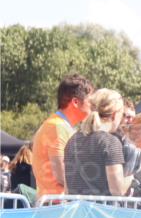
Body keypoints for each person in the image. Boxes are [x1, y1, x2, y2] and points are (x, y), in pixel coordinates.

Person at [31, 74, 94, 202]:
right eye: (90, 101)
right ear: (75, 102)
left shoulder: (61, 126)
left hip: (58, 206)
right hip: (56, 208)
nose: (93, 106)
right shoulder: (56, 127)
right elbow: (61, 175)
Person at [63, 88, 128, 197]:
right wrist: (131, 177)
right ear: (114, 115)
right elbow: (117, 191)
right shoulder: (110, 142)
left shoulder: (72, 140)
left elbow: (67, 188)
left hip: (76, 211)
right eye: (122, 114)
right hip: (103, 212)